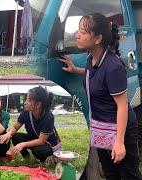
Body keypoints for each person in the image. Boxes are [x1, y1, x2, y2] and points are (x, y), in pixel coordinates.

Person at [59, 13, 141, 179]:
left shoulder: (113, 67)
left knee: (129, 174)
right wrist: (76, 70)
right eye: (78, 30)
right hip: (103, 128)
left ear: (97, 39)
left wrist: (119, 142)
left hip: (120, 130)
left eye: (83, 31)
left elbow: (122, 106)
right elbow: (95, 74)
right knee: (111, 174)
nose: (77, 35)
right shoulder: (92, 59)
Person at [0, 86, 61, 162]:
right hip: (34, 138)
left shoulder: (48, 117)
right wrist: (9, 134)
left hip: (47, 143)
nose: (25, 102)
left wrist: (22, 144)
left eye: (28, 100)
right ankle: (27, 158)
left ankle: (47, 159)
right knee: (15, 136)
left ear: (38, 105)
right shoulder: (26, 112)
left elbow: (41, 141)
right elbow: (15, 127)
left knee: (38, 151)